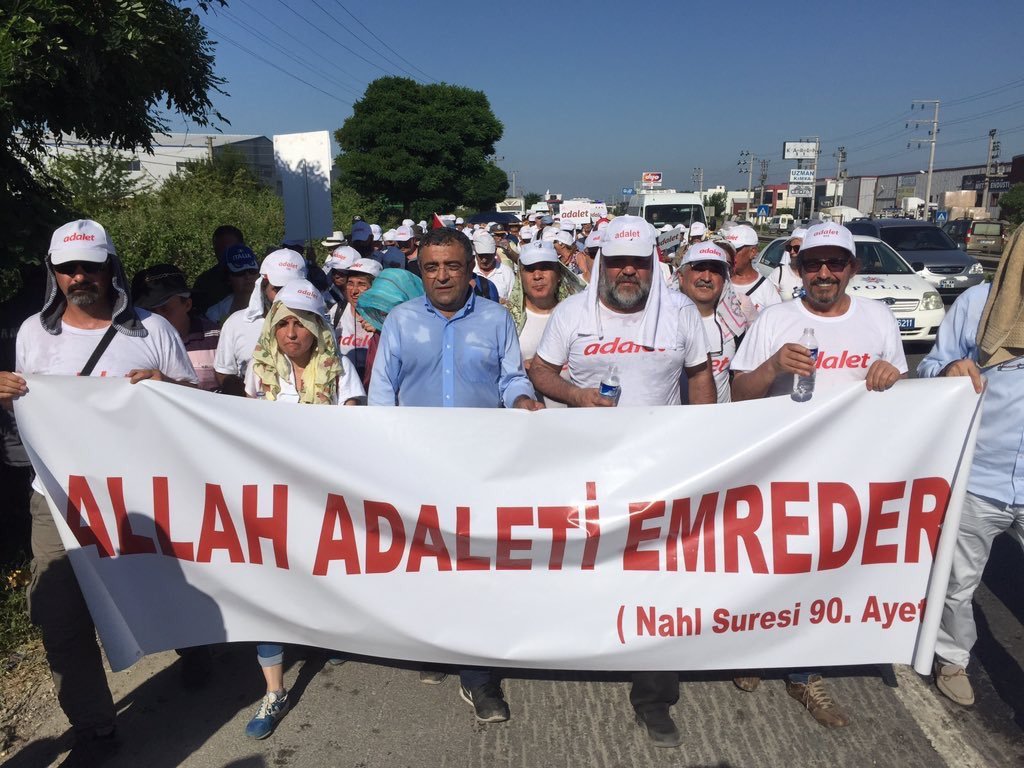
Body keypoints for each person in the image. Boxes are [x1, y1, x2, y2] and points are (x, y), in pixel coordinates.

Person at [0, 220, 198, 766]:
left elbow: (195, 406)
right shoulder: (33, 334)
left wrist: (168, 388)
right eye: (67, 268)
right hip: (58, 498)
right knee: (60, 615)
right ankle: (94, 726)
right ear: (53, 272)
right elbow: (30, 412)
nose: (78, 276)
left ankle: (195, 644)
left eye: (89, 265)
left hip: (142, 495)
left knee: (166, 586)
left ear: (111, 266)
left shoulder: (152, 330)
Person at [528, 216, 713, 748]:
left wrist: (706, 444)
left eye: (637, 262)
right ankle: (574, 653)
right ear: (601, 265)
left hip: (659, 472)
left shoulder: (681, 313)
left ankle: (654, 698)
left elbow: (699, 376)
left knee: (657, 579)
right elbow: (540, 371)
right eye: (617, 262)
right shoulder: (571, 313)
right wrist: (576, 396)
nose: (627, 271)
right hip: (585, 472)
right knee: (583, 567)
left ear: (654, 262)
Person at [730, 221, 907, 727]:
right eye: (813, 263)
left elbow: (905, 397)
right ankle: (750, 648)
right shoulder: (775, 319)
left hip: (848, 472)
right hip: (781, 471)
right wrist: (772, 368)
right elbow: (739, 394)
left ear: (853, 268)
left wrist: (891, 376)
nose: (824, 273)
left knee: (822, 571)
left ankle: (803, 671)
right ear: (799, 268)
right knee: (766, 567)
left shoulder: (878, 318)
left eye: (835, 263)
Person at [368, 227, 543, 724]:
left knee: (474, 567)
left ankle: (477, 675)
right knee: (426, 561)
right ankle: (434, 643)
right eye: (431, 267)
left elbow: (511, 378)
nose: (442, 276)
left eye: (452, 266)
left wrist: (522, 401)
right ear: (420, 271)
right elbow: (382, 394)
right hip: (417, 465)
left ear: (470, 269)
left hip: (478, 466)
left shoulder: (495, 319)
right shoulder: (400, 321)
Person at [242, 279, 364, 739]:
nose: (291, 333)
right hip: (271, 497)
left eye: (301, 323)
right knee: (267, 587)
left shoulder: (340, 370)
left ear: (316, 326)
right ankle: (274, 691)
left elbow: (354, 434)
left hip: (323, 498)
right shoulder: (259, 371)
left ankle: (328, 634)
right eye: (283, 324)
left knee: (323, 574)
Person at [917, 223, 1024, 708]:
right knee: (958, 583)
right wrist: (947, 370)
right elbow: (927, 367)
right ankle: (952, 657)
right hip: (978, 477)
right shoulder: (977, 304)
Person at [214, 250, 307, 396]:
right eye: (278, 289)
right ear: (263, 287)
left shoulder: (318, 325)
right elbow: (224, 372)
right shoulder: (236, 323)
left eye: (292, 289)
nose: (284, 297)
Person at [132, 264, 221, 391]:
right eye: (149, 311)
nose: (157, 317)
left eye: (165, 309)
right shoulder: (134, 343)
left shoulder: (216, 337)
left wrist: (166, 381)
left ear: (187, 304)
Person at [676, 242, 736, 403]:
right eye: (699, 268)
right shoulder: (662, 322)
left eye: (715, 271)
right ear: (681, 277)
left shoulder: (736, 325)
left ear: (724, 280)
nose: (707, 278)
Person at [355, 269, 425, 391]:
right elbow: (374, 381)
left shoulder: (431, 335)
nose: (383, 312)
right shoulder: (379, 336)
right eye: (380, 304)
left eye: (391, 305)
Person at [722, 224, 780, 321]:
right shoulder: (720, 280)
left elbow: (776, 321)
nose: (729, 255)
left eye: (735, 250)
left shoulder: (766, 288)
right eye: (727, 250)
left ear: (752, 252)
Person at [336, 258, 381, 380]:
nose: (354, 291)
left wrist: (381, 331)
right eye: (350, 283)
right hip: (345, 382)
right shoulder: (337, 311)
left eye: (362, 284)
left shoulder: (385, 316)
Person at [191, 225, 245, 314]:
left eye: (230, 249)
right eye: (220, 250)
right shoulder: (205, 282)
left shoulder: (260, 272)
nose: (225, 255)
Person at [204, 244, 261, 325]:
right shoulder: (215, 315)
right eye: (240, 272)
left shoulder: (272, 303)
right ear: (227, 278)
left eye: (252, 271)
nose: (247, 276)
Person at [472, 231, 515, 300]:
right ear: (475, 251)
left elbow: (513, 300)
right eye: (481, 255)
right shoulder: (469, 271)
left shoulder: (507, 272)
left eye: (488, 255)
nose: (484, 260)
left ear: (495, 251)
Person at [767, 228, 807, 302]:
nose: (791, 251)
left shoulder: (815, 274)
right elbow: (767, 299)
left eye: (796, 248)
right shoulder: (779, 273)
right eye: (789, 248)